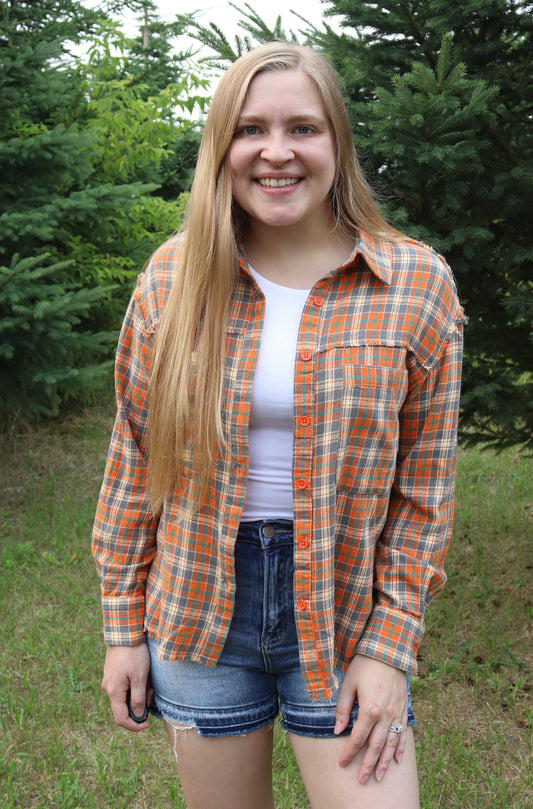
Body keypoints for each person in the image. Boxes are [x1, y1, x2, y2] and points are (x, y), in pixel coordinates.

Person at [92, 42, 466, 809]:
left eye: (303, 128)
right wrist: (122, 627)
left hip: (343, 608)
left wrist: (390, 647)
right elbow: (133, 458)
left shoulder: (414, 284)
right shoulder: (173, 278)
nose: (276, 152)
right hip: (200, 607)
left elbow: (425, 490)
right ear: (221, 147)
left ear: (337, 144)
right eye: (251, 129)